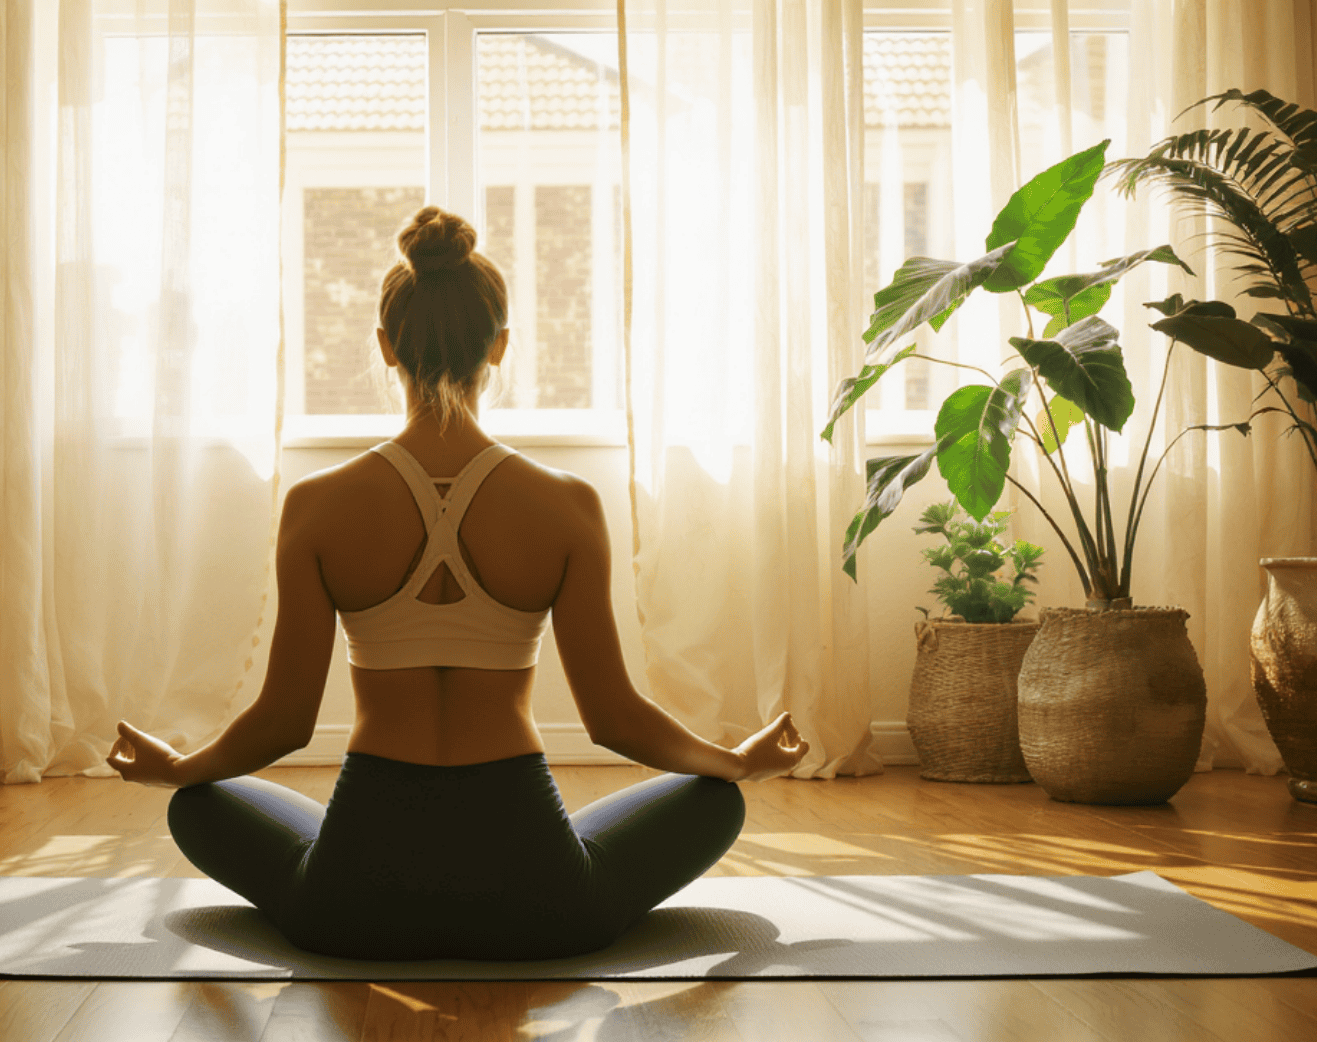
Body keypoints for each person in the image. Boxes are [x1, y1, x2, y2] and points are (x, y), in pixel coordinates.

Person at [110, 205, 808, 961]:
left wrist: (178, 769)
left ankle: (276, 846)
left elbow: (284, 723)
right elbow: (613, 719)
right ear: (500, 347)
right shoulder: (568, 505)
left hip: (348, 902)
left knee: (196, 806)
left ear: (385, 347)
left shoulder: (316, 506)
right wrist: (737, 761)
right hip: (543, 900)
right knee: (716, 802)